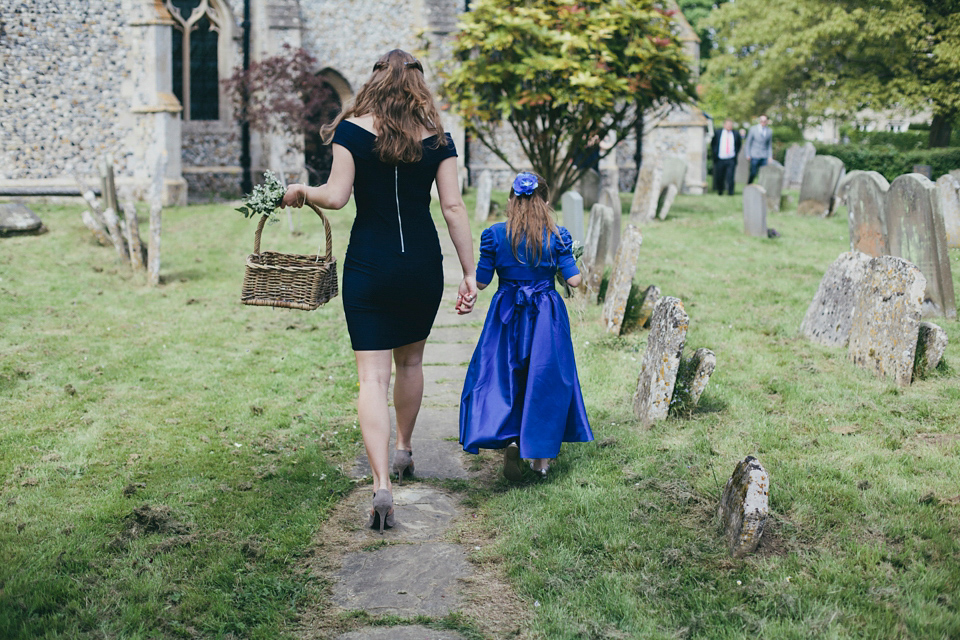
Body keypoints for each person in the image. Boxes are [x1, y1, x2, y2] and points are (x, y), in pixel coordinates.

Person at [280, 50, 478, 532]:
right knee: (411, 361)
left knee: (372, 379)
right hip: (422, 267)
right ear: (418, 87)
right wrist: (469, 273)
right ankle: (405, 449)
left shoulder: (350, 132)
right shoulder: (439, 139)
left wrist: (302, 191)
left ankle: (381, 484)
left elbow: (337, 196)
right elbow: (452, 208)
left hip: (369, 265)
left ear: (374, 83)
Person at [459, 172, 593, 480]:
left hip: (507, 313)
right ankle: (540, 462)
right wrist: (569, 258)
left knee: (505, 376)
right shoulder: (556, 236)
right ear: (545, 203)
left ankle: (510, 437)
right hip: (545, 314)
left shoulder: (494, 234)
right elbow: (574, 279)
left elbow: (480, 281)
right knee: (545, 380)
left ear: (511, 201)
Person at [710, 118, 741, 196]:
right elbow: (713, 144)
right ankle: (720, 191)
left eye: (730, 125)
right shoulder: (718, 133)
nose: (729, 126)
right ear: (724, 125)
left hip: (731, 158)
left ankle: (731, 192)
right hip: (720, 158)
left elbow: (738, 145)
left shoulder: (735, 134)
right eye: (727, 124)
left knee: (730, 176)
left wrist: (735, 153)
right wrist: (715, 154)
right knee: (720, 176)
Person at [745, 114, 773, 184]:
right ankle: (749, 185)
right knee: (753, 172)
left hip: (764, 155)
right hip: (754, 155)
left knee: (763, 174)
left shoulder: (769, 131)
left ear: (767, 121)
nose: (763, 122)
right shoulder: (753, 129)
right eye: (761, 121)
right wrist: (748, 154)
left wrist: (770, 156)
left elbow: (769, 145)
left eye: (764, 121)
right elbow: (748, 143)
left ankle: (761, 187)